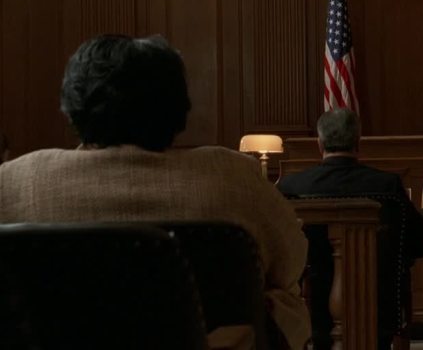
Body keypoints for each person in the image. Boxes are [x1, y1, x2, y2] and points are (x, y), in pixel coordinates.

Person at [0, 34, 310, 349]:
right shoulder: (234, 178)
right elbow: (293, 261)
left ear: (73, 105)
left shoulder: (14, 183)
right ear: (178, 107)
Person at [278, 108, 423, 350]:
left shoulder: (291, 187)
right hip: (377, 307)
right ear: (357, 143)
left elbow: (278, 248)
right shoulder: (387, 186)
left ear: (320, 144)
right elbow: (422, 242)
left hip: (314, 307)